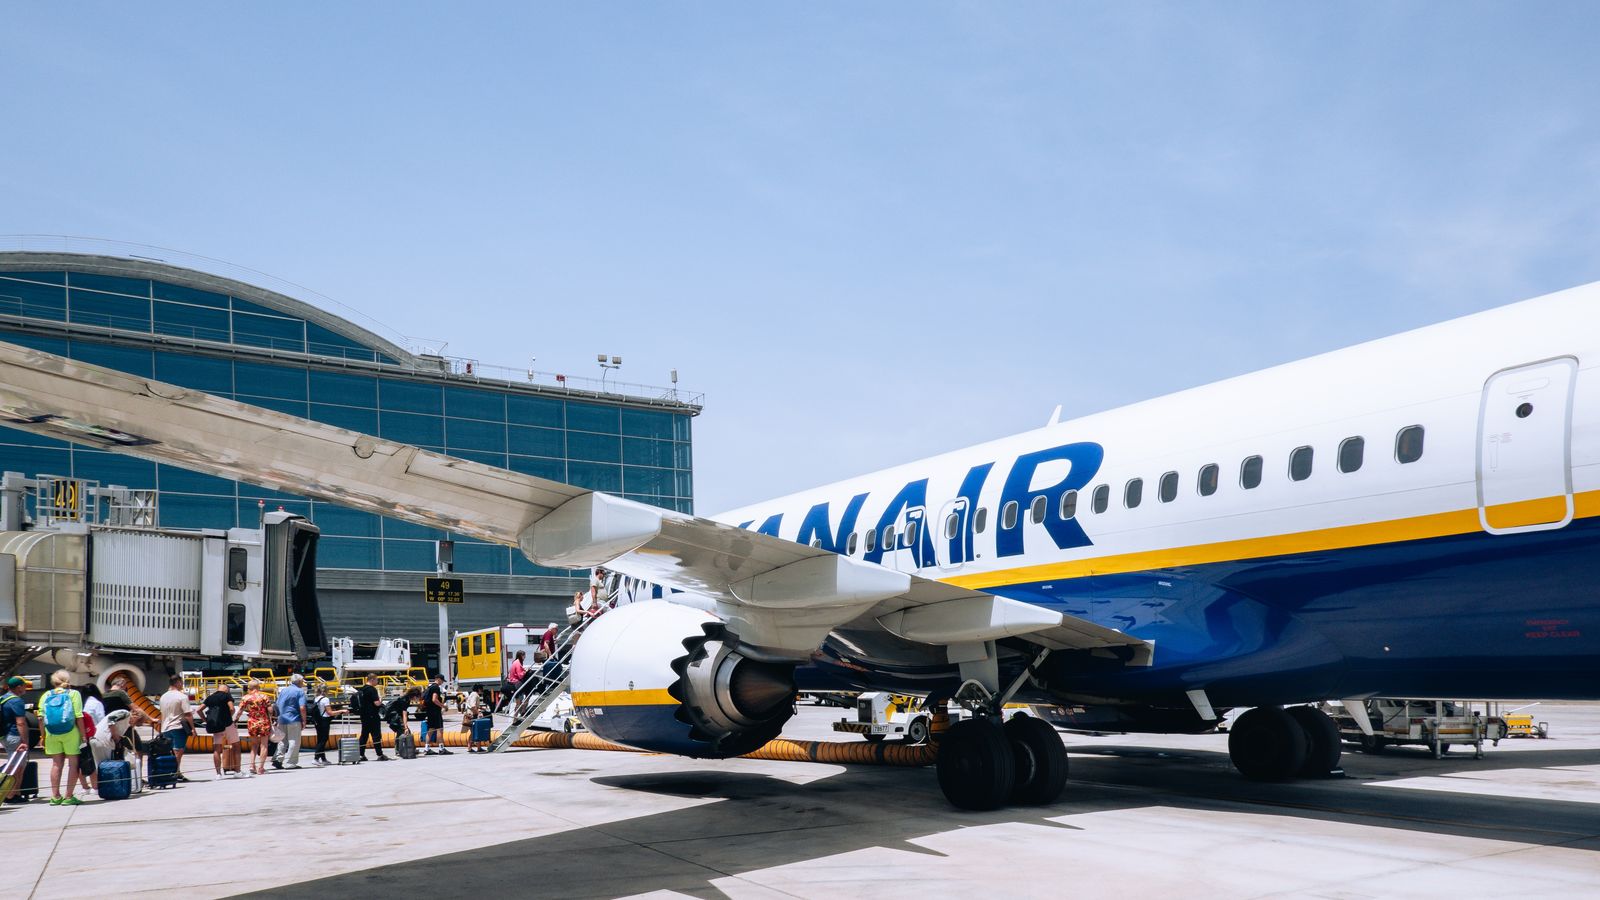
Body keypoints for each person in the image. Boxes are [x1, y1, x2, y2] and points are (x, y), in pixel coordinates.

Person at [39, 669, 83, 807]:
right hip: (71, 733)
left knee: (56, 764)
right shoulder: (74, 694)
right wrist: (83, 735)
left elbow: (40, 718)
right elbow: (78, 716)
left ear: (53, 681)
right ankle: (69, 796)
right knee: (73, 764)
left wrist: (43, 736)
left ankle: (55, 796)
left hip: (52, 733)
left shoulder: (46, 695)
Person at [157, 675, 195, 782]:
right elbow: (188, 714)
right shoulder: (181, 696)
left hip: (165, 727)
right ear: (178, 682)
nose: (182, 685)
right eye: (181, 683)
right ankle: (174, 772)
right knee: (178, 751)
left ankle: (175, 771)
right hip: (178, 727)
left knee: (170, 751)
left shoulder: (163, 697)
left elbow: (162, 713)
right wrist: (192, 728)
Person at [201, 683, 240, 778]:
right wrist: (228, 717)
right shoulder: (227, 696)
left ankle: (218, 774)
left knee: (217, 749)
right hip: (227, 725)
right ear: (227, 690)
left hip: (216, 726)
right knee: (236, 746)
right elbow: (232, 708)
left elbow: (199, 710)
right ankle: (237, 772)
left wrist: (206, 720)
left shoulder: (210, 697)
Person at [238, 679, 274, 776]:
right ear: (258, 687)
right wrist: (273, 717)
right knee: (264, 745)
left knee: (254, 745)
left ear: (249, 688)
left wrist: (235, 720)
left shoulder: (245, 698)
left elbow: (240, 710)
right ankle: (261, 767)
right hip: (263, 722)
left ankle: (252, 765)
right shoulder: (264, 696)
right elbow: (270, 710)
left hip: (252, 722)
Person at [75, 683, 105, 796]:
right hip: (93, 735)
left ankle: (84, 787)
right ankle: (95, 787)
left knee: (79, 762)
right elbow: (101, 719)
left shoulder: (80, 703)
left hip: (78, 735)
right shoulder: (96, 703)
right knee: (92, 761)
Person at [272, 674, 308, 770]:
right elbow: (302, 707)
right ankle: (290, 763)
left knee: (282, 740)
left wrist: (277, 718)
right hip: (294, 718)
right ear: (300, 682)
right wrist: (304, 720)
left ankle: (277, 759)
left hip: (282, 718)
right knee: (294, 741)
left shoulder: (284, 690)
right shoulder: (300, 691)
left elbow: (277, 705)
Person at [3, 676, 29, 804]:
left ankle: (15, 793)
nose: (25, 688)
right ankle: (10, 795)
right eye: (24, 686)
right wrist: (24, 741)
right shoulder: (16, 701)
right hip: (15, 736)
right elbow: (20, 723)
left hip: (5, 736)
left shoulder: (3, 699)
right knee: (17, 767)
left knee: (16, 764)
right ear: (19, 687)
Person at [355, 675, 389, 762]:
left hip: (364, 715)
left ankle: (361, 754)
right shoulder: (372, 689)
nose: (377, 682)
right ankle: (380, 754)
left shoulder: (362, 689)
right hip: (373, 715)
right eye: (377, 680)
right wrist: (381, 699)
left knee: (364, 735)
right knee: (376, 735)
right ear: (372, 679)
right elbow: (377, 703)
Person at [422, 674, 450, 756]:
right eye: (441, 680)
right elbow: (434, 699)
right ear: (438, 679)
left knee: (430, 729)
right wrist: (443, 706)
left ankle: (426, 748)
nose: (442, 682)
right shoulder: (436, 687)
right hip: (435, 712)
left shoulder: (430, 687)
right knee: (439, 729)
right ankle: (441, 748)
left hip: (429, 712)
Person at [308, 685, 333, 766]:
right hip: (324, 720)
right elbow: (330, 712)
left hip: (318, 721)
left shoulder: (316, 698)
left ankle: (323, 758)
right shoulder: (325, 699)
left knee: (320, 739)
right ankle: (316, 758)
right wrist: (341, 711)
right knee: (323, 739)